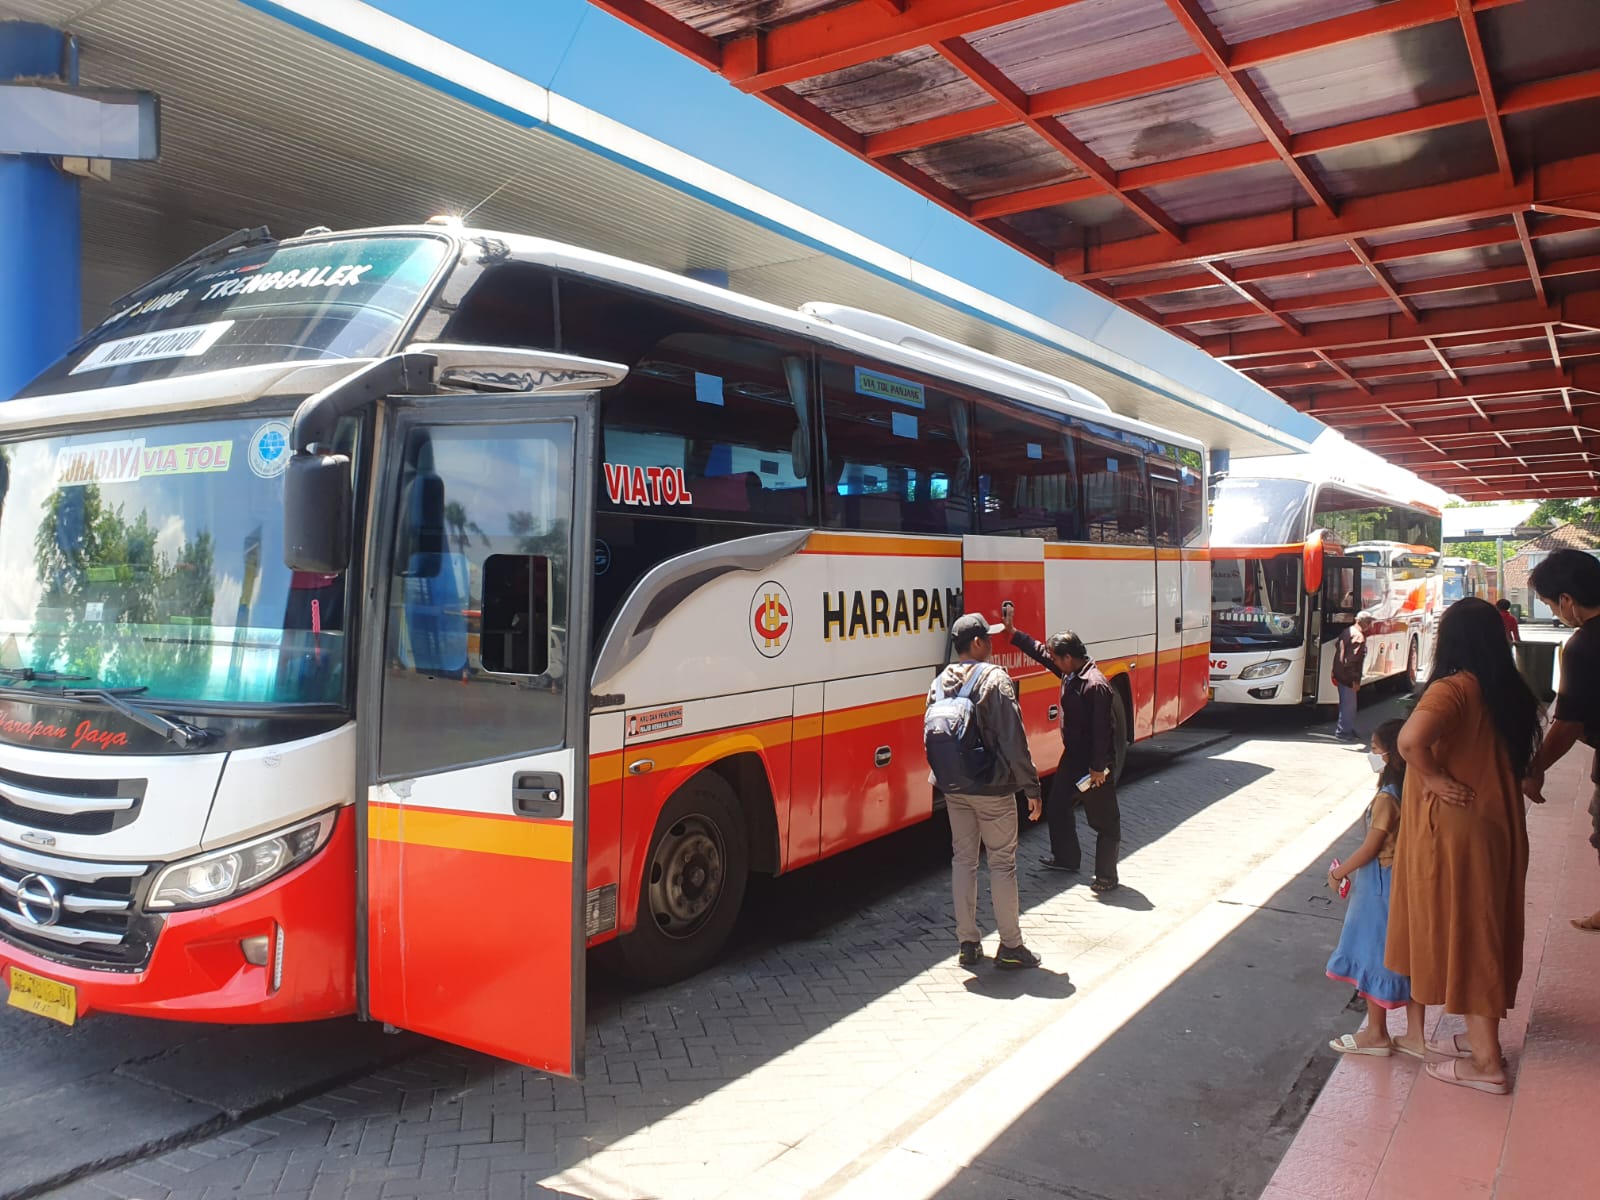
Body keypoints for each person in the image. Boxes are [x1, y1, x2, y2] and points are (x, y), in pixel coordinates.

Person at [1385, 597, 1541, 1095]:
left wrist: (1433, 778)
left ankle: (1487, 1062)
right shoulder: (1508, 688)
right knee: (1486, 925)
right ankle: (1479, 1040)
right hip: (1498, 824)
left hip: (1459, 831)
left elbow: (1409, 741)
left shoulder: (1453, 688)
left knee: (1469, 933)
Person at [926, 612, 1043, 971]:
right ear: (977, 643)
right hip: (992, 788)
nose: (992, 644)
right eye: (988, 638)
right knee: (1002, 863)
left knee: (963, 860)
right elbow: (1013, 739)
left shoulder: (939, 681)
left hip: (953, 786)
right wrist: (1031, 787)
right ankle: (1011, 945)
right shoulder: (994, 680)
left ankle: (967, 943)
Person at [1325, 719, 1426, 1057]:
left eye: (1374, 748)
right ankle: (1415, 1036)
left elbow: (1371, 847)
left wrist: (1340, 873)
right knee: (1406, 957)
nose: (1371, 754)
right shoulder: (1414, 790)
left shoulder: (1386, 798)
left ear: (1390, 755)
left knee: (1372, 955)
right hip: (1401, 880)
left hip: (1379, 887)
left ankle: (1376, 1034)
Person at [1006, 617, 1122, 893]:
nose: (1054, 662)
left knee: (1105, 821)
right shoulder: (1071, 673)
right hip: (1073, 757)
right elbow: (1041, 653)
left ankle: (1106, 877)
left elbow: (1103, 731)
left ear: (1068, 658)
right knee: (1057, 805)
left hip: (1094, 763)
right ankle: (1066, 858)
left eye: (1057, 658)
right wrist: (1015, 634)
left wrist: (1098, 767)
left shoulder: (1095, 685)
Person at [1523, 549, 1600, 932]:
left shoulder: (1583, 645)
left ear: (1568, 600)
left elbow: (1567, 723)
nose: (1556, 613)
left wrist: (1534, 768)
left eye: (1552, 605)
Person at [1331, 611, 1373, 741]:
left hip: (1340, 673)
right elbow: (1351, 661)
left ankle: (1345, 728)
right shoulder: (1358, 637)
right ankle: (1343, 731)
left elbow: (1338, 648)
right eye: (1369, 622)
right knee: (1349, 706)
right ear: (1364, 623)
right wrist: (1354, 680)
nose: (1370, 625)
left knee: (1345, 704)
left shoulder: (1347, 631)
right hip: (1347, 677)